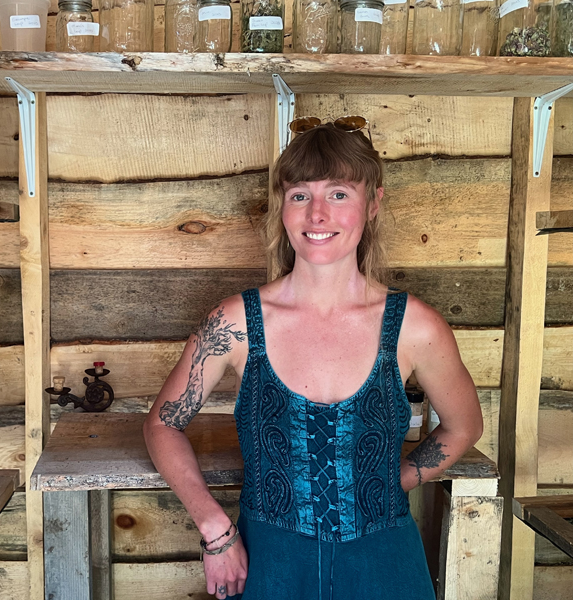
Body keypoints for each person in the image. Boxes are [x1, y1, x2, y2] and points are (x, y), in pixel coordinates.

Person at [142, 121, 484, 600]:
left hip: (384, 561)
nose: (318, 214)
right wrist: (215, 530)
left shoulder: (415, 327)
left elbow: (463, 427)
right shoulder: (236, 322)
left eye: (339, 193)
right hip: (269, 562)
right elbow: (162, 425)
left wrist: (393, 482)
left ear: (374, 202)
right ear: (283, 207)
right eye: (300, 195)